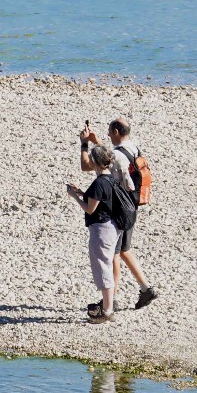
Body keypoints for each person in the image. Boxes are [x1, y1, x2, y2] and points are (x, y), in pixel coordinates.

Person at [79, 118, 158, 308]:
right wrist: (96, 142)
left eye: (109, 131)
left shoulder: (117, 154)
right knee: (123, 250)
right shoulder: (132, 147)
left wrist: (84, 144)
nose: (107, 135)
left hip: (118, 210)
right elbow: (109, 158)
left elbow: (88, 166)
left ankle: (111, 300)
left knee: (114, 254)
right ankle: (146, 289)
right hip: (130, 206)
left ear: (115, 131)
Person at [64, 145, 130, 322]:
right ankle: (107, 307)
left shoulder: (99, 182)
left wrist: (75, 197)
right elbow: (102, 202)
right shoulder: (110, 180)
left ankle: (107, 311)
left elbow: (90, 209)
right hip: (113, 227)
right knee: (106, 265)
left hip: (102, 230)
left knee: (103, 268)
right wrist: (82, 192)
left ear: (94, 162)